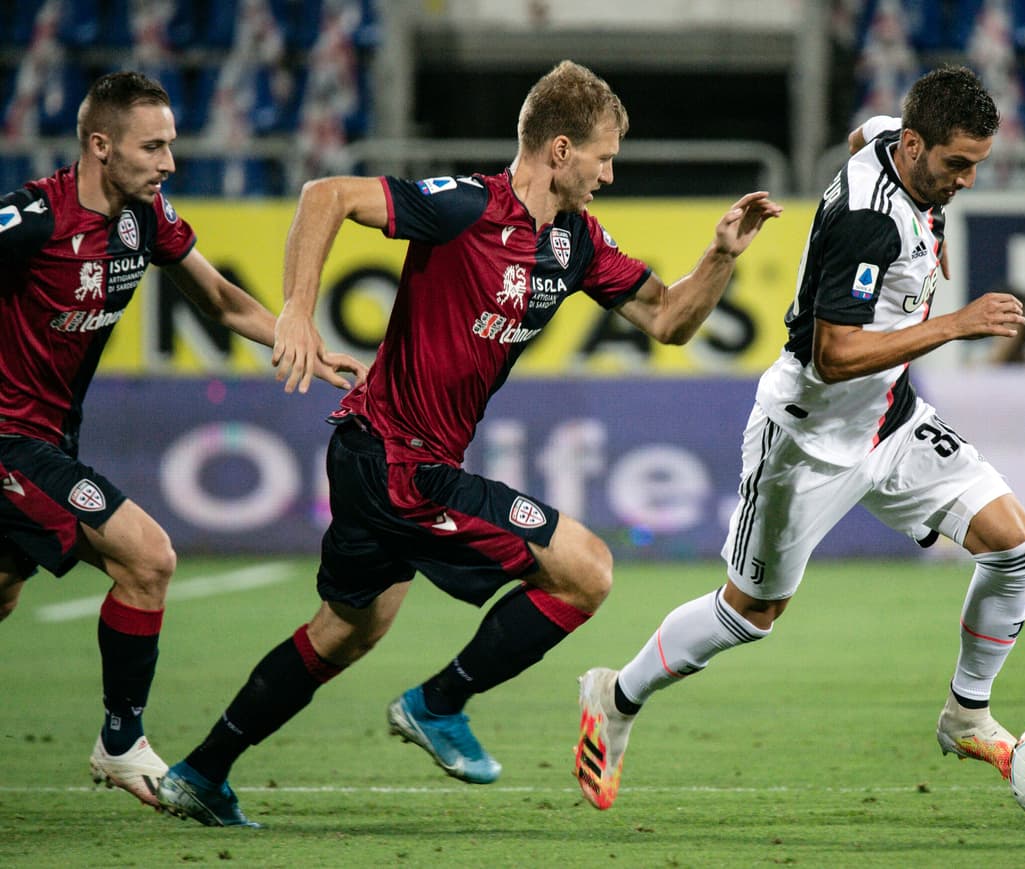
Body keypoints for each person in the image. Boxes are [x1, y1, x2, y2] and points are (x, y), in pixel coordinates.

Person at [155, 59, 782, 828]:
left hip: (383, 455)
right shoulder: (465, 207)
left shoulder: (573, 242)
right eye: (603, 156)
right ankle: (439, 701)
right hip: (396, 460)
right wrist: (295, 312)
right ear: (559, 150)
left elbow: (668, 319)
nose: (610, 174)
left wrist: (720, 255)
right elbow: (326, 195)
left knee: (346, 629)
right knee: (586, 569)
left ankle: (201, 771)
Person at [574, 66, 1025, 811]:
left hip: (890, 419)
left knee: (1016, 544)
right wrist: (956, 320)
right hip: (807, 439)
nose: (968, 179)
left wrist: (933, 238)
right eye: (957, 165)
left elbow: (866, 132)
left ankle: (967, 712)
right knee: (749, 614)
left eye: (977, 163)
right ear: (919, 147)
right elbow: (834, 356)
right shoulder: (868, 223)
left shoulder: (896, 141)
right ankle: (617, 695)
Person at [0, 72, 360, 810]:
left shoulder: (145, 217)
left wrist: (302, 341)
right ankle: (121, 740)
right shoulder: (32, 218)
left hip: (51, 436)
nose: (169, 162)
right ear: (100, 145)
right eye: (152, 146)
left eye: (171, 143)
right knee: (149, 554)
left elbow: (222, 300)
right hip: (8, 438)